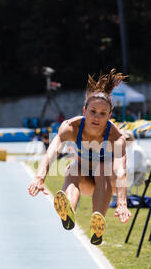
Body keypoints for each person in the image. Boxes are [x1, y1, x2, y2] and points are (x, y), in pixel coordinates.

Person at [28, 69, 132, 245]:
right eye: (93, 111)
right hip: (83, 179)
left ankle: (97, 224)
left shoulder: (116, 137)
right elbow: (51, 152)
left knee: (102, 169)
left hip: (107, 183)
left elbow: (120, 171)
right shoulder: (70, 127)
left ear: (109, 115)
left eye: (102, 113)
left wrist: (122, 201)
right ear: (85, 110)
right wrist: (40, 177)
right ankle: (68, 211)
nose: (96, 117)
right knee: (73, 168)